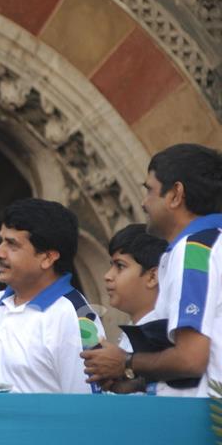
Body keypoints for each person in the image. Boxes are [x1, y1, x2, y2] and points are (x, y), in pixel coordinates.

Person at [82, 143, 222, 397]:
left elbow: (192, 359)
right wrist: (140, 382)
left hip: (203, 426)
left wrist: (125, 361)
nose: (144, 203)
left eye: (149, 190)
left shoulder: (195, 251)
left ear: (175, 194)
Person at [0, 198, 106, 393]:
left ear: (48, 257)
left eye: (12, 244)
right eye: (1, 241)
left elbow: (86, 406)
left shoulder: (75, 316)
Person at [102, 224, 179, 395]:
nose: (107, 275)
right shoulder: (135, 331)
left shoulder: (163, 339)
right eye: (111, 266)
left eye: (120, 266)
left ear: (152, 276)